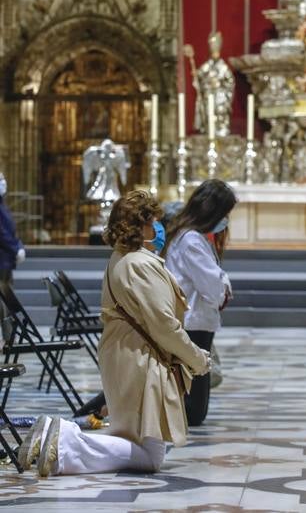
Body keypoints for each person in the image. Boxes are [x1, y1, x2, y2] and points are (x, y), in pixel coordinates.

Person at [18, 190, 210, 477]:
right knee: (150, 455)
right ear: (140, 226)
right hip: (140, 357)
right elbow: (164, 324)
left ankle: (61, 448)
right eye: (153, 222)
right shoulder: (141, 264)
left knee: (132, 440)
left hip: (123, 352)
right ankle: (66, 437)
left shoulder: (121, 258)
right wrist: (196, 358)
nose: (158, 228)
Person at [164, 179, 236, 426]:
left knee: (197, 400)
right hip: (192, 322)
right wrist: (224, 287)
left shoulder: (190, 236)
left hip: (195, 320)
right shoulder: (191, 240)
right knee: (195, 407)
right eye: (224, 212)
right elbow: (212, 284)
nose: (226, 219)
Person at [0, 172, 26, 342]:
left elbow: (10, 229)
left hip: (6, 260)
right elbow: (1, 233)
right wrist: (15, 249)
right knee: (3, 301)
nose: (3, 183)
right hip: (2, 259)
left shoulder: (2, 204)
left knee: (6, 299)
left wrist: (19, 246)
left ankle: (9, 338)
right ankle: (8, 338)